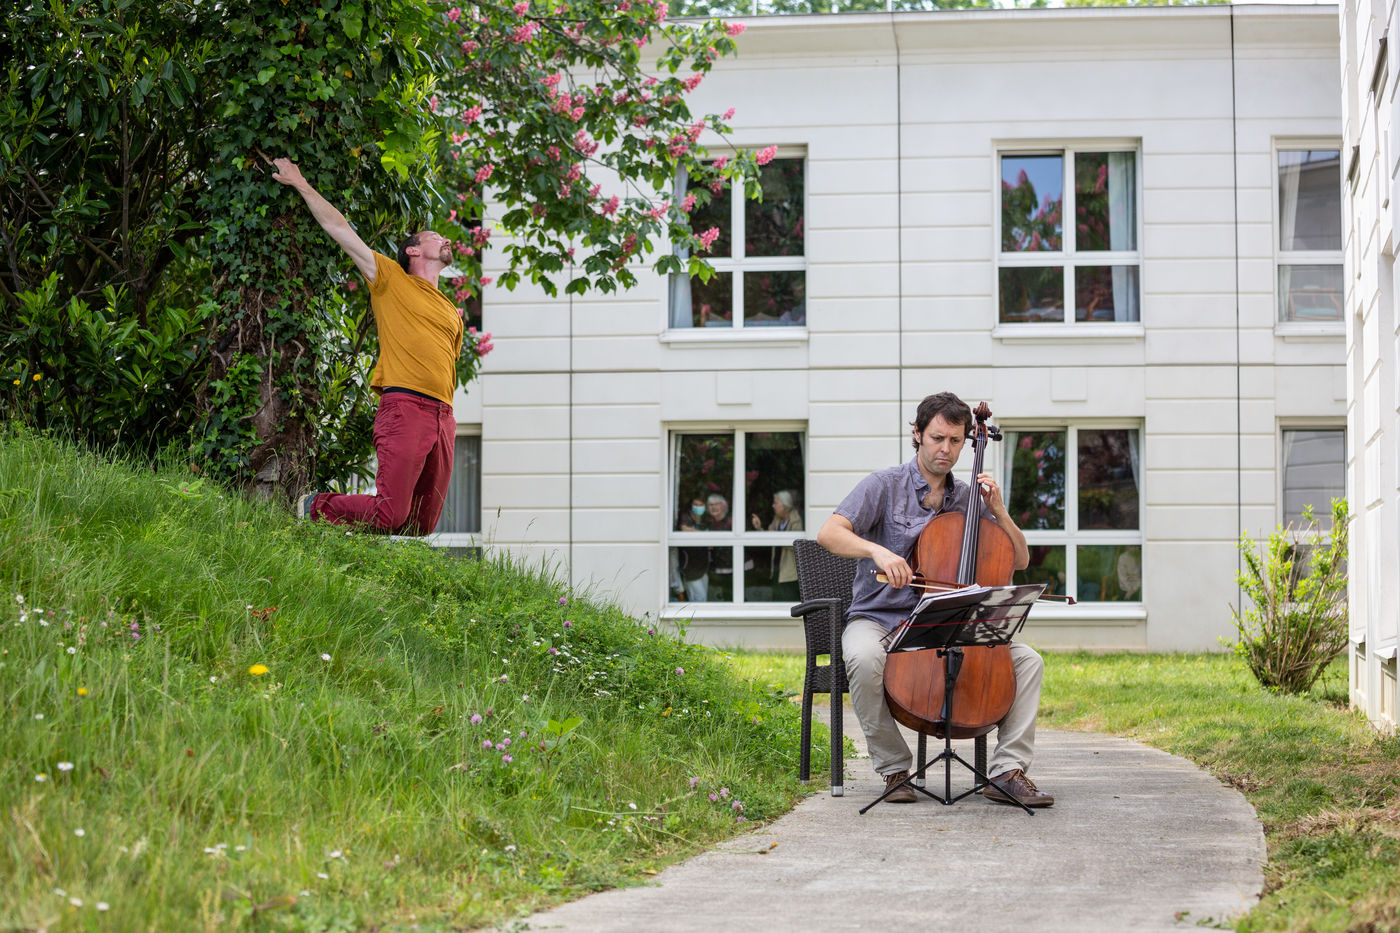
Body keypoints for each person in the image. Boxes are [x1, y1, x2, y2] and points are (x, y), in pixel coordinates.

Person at [816, 392, 1053, 808]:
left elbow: (1018, 560)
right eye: (937, 438)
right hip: (881, 618)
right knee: (862, 658)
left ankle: (1007, 772)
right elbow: (829, 533)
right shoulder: (883, 485)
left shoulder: (967, 498)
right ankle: (894, 769)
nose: (946, 449)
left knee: (1028, 661)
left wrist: (999, 512)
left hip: (946, 622)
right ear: (918, 434)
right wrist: (878, 552)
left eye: (956, 441)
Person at [272, 158, 463, 535]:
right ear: (412, 251)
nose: (445, 239)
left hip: (444, 416)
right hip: (406, 405)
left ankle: (344, 532)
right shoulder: (390, 279)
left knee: (420, 523)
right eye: (434, 236)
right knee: (389, 513)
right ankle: (314, 507)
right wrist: (300, 183)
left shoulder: (450, 311)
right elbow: (338, 228)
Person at [752, 489, 803, 602]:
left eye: (776, 503)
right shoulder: (777, 519)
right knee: (776, 600)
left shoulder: (796, 520)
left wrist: (779, 539)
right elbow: (770, 538)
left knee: (788, 601)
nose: (773, 506)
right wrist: (759, 529)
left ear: (785, 505)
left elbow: (797, 544)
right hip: (776, 568)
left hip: (789, 573)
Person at [670, 502, 710, 602]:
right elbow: (684, 528)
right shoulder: (685, 517)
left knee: (703, 598)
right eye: (696, 504)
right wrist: (705, 536)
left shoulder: (705, 520)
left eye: (701, 504)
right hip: (690, 568)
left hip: (703, 567)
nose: (698, 507)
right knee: (699, 599)